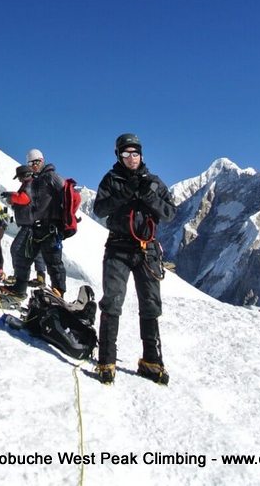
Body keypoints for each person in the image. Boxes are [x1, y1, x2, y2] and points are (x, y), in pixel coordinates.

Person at [92, 133, 176, 385]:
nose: (131, 158)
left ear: (141, 155)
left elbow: (171, 213)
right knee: (112, 302)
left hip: (147, 250)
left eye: (135, 153)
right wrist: (127, 193)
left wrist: (147, 197)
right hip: (118, 247)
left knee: (150, 304)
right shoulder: (111, 180)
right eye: (126, 154)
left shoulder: (153, 182)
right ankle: (107, 361)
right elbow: (99, 209)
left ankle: (151, 361)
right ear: (119, 155)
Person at [0, 149, 67, 299]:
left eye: (37, 161)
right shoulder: (35, 180)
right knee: (21, 255)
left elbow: (68, 193)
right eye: (31, 162)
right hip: (37, 227)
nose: (34, 165)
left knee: (53, 262)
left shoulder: (51, 176)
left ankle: (58, 294)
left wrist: (65, 218)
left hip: (50, 227)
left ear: (42, 160)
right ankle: (19, 289)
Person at [1, 165, 47, 286]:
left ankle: (18, 277)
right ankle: (40, 277)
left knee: (16, 249)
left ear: (25, 175)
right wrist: (13, 198)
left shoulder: (30, 184)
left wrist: (12, 197)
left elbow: (25, 199)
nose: (19, 180)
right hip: (33, 223)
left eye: (20, 177)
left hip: (29, 225)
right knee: (35, 251)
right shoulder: (32, 184)